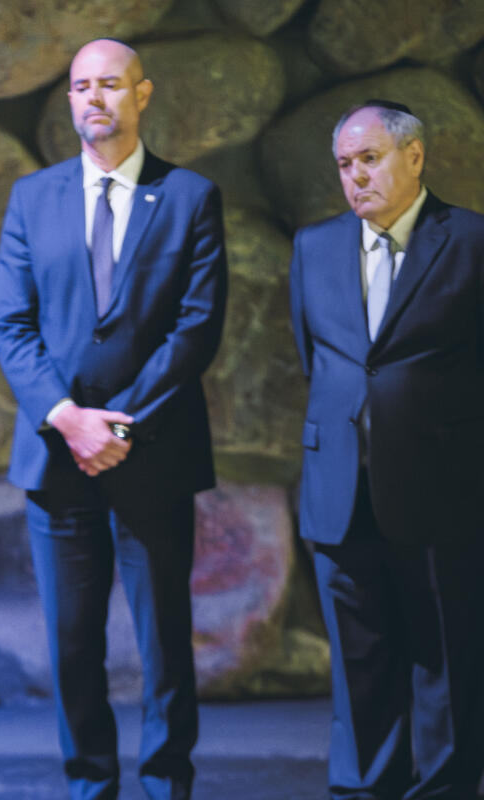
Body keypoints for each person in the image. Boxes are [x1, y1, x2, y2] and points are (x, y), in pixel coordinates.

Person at [0, 39, 227, 800]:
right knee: (71, 646)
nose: (95, 98)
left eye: (111, 84)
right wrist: (69, 419)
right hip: (59, 461)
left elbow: (196, 327)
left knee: (164, 647)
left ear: (143, 94)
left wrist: (118, 427)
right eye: (82, 86)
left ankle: (167, 788)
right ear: (69, 100)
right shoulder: (33, 197)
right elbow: (11, 325)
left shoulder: (190, 196)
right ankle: (90, 785)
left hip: (152, 456)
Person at [290, 101, 484, 799]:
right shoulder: (314, 248)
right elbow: (319, 361)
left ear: (415, 156)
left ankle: (443, 790)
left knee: (446, 667)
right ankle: (363, 791)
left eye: (368, 159)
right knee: (358, 667)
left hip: (441, 492)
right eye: (344, 164)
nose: (355, 177)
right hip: (341, 490)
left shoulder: (469, 241)